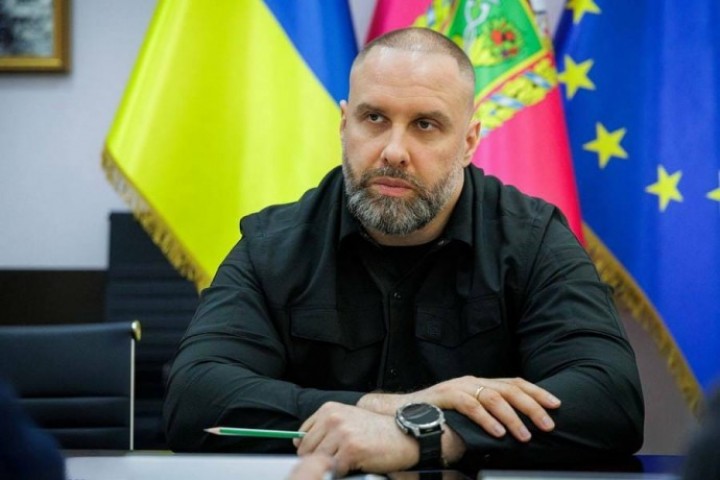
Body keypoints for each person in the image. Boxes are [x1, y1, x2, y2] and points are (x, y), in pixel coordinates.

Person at [164, 27, 644, 475]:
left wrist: (430, 436)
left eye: (425, 125)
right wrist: (387, 408)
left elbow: (610, 400)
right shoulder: (274, 244)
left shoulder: (531, 239)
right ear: (344, 124)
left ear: (469, 142)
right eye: (374, 118)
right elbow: (195, 398)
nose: (394, 150)